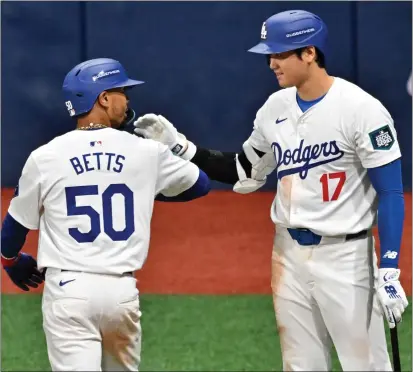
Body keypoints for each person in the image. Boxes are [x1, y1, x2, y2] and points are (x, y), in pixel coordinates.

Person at [133, 10, 408, 371]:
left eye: (279, 54)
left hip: (348, 257)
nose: (271, 63)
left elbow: (390, 193)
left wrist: (389, 268)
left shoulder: (363, 110)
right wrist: (182, 147)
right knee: (299, 366)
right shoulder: (274, 109)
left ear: (309, 53)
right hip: (288, 255)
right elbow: (245, 173)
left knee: (366, 365)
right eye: (269, 55)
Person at [1, 57, 210, 371]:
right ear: (104, 98)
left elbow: (13, 228)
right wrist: (158, 168)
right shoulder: (146, 151)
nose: (128, 100)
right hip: (121, 294)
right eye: (122, 92)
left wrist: (11, 261)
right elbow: (199, 184)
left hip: (68, 291)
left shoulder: (45, 156)